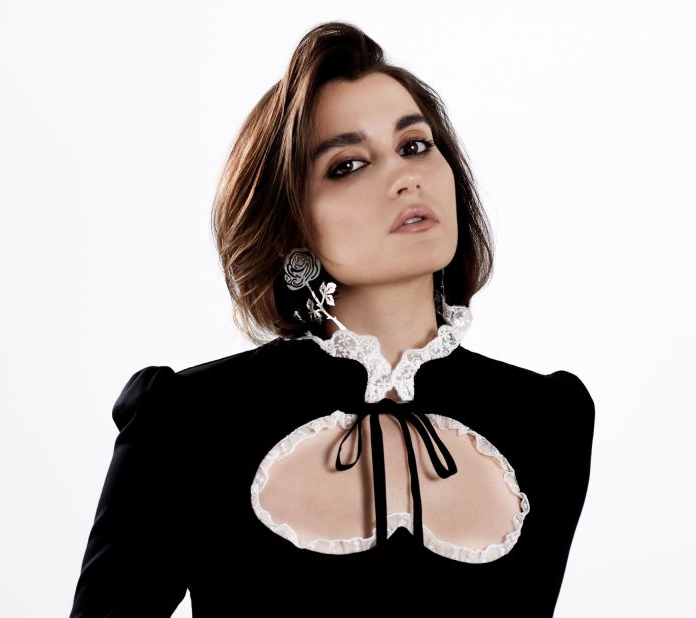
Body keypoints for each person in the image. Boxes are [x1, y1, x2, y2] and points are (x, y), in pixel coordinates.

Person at [69, 21, 595, 617]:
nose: (405, 177)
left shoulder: (550, 420)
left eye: (415, 145)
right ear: (292, 227)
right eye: (348, 164)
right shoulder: (189, 420)